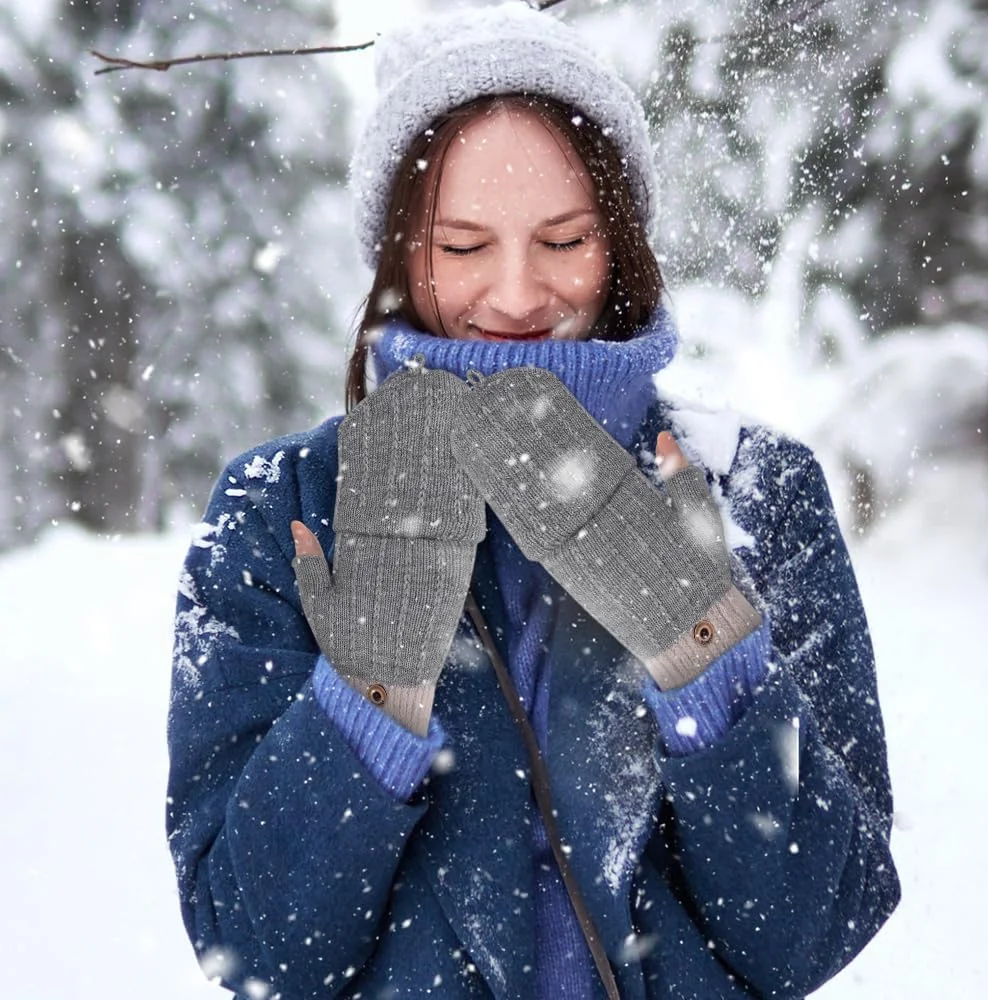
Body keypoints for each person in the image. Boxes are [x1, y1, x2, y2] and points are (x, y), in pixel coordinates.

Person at [166, 4, 900, 999]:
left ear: (621, 241)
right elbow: (256, 949)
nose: (515, 296)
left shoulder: (757, 494)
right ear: (395, 254)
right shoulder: (279, 509)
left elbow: (818, 925)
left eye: (562, 239)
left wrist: (704, 654)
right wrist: (370, 692)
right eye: (462, 246)